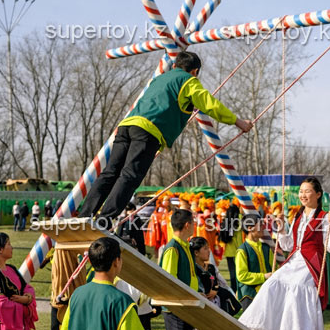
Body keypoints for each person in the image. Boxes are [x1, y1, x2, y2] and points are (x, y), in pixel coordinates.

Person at [77, 52, 254, 224]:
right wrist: (238, 122)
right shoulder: (188, 81)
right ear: (195, 72)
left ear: (175, 66)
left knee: (110, 172)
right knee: (130, 175)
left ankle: (84, 216)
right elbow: (210, 104)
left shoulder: (158, 79)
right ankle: (104, 220)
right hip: (148, 130)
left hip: (126, 125)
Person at [239, 177, 330, 330]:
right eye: (301, 191)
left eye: (307, 191)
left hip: (310, 266)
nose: (302, 195)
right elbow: (288, 245)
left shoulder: (325, 217)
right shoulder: (298, 217)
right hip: (293, 262)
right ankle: (260, 328)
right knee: (271, 283)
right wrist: (282, 228)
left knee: (296, 292)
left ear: (318, 194)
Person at [235, 214, 274, 330]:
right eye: (260, 225)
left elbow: (275, 270)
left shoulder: (267, 248)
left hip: (265, 296)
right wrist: (263, 276)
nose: (263, 227)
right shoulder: (242, 250)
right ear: (250, 228)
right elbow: (241, 276)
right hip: (249, 296)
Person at [220, 204, 243, 292]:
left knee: (232, 274)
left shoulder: (226, 222)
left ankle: (234, 290)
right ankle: (239, 290)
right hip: (238, 251)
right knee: (240, 273)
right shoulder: (238, 221)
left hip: (229, 252)